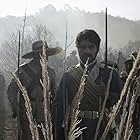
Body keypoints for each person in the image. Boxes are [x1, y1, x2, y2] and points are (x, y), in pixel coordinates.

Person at [52, 29, 123, 140]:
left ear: (97, 49)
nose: (87, 51)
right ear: (78, 48)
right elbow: (59, 107)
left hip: (100, 127)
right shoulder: (69, 75)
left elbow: (122, 100)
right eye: (83, 47)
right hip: (76, 127)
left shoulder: (109, 73)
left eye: (91, 47)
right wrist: (59, 134)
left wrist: (108, 95)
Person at [7, 40, 62, 140]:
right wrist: (16, 108)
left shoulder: (51, 71)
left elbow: (55, 94)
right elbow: (11, 89)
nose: (45, 56)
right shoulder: (22, 70)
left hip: (45, 111)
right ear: (35, 55)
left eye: (46, 54)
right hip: (26, 111)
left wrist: (55, 112)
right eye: (42, 54)